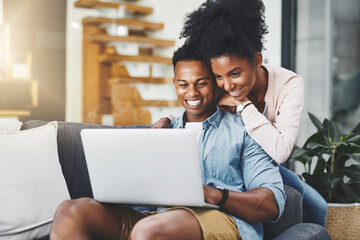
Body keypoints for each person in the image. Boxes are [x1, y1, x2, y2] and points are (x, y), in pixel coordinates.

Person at [50, 44, 285, 240]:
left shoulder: (245, 130)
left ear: (215, 82)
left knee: (147, 231)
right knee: (70, 211)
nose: (192, 92)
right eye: (183, 84)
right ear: (175, 84)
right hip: (153, 217)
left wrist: (218, 195)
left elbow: (272, 203)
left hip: (220, 219)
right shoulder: (162, 130)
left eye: (201, 83)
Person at [152, 0, 327, 226]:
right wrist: (168, 119)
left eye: (234, 74)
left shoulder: (289, 84)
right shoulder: (220, 83)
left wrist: (243, 104)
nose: (226, 85)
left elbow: (280, 150)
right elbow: (196, 105)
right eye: (218, 76)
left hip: (264, 155)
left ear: (256, 60)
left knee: (317, 205)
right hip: (234, 155)